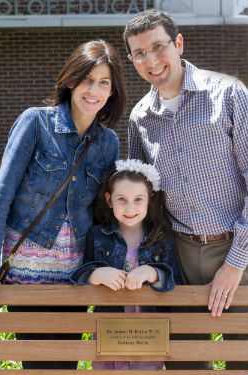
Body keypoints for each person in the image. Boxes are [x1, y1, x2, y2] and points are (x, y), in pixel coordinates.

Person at [123, 8, 248, 370]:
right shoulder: (140, 118)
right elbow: (143, 198)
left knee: (243, 358)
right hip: (177, 254)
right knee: (185, 362)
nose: (151, 60)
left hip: (238, 246)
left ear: (178, 44)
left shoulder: (229, 95)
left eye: (158, 46)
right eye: (139, 53)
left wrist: (235, 263)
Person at [0, 40, 127, 370]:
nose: (93, 90)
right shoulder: (36, 123)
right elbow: (2, 193)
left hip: (74, 273)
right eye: (87, 79)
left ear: (112, 92)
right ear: (71, 80)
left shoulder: (107, 143)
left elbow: (102, 212)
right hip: (27, 271)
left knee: (67, 362)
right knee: (39, 362)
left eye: (103, 82)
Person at [71, 158, 182, 371]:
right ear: (109, 199)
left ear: (149, 199)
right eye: (122, 199)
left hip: (149, 332)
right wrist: (97, 274)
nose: (130, 207)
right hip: (109, 330)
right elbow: (80, 276)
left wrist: (152, 272)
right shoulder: (98, 236)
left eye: (138, 199)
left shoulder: (161, 238)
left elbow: (173, 280)